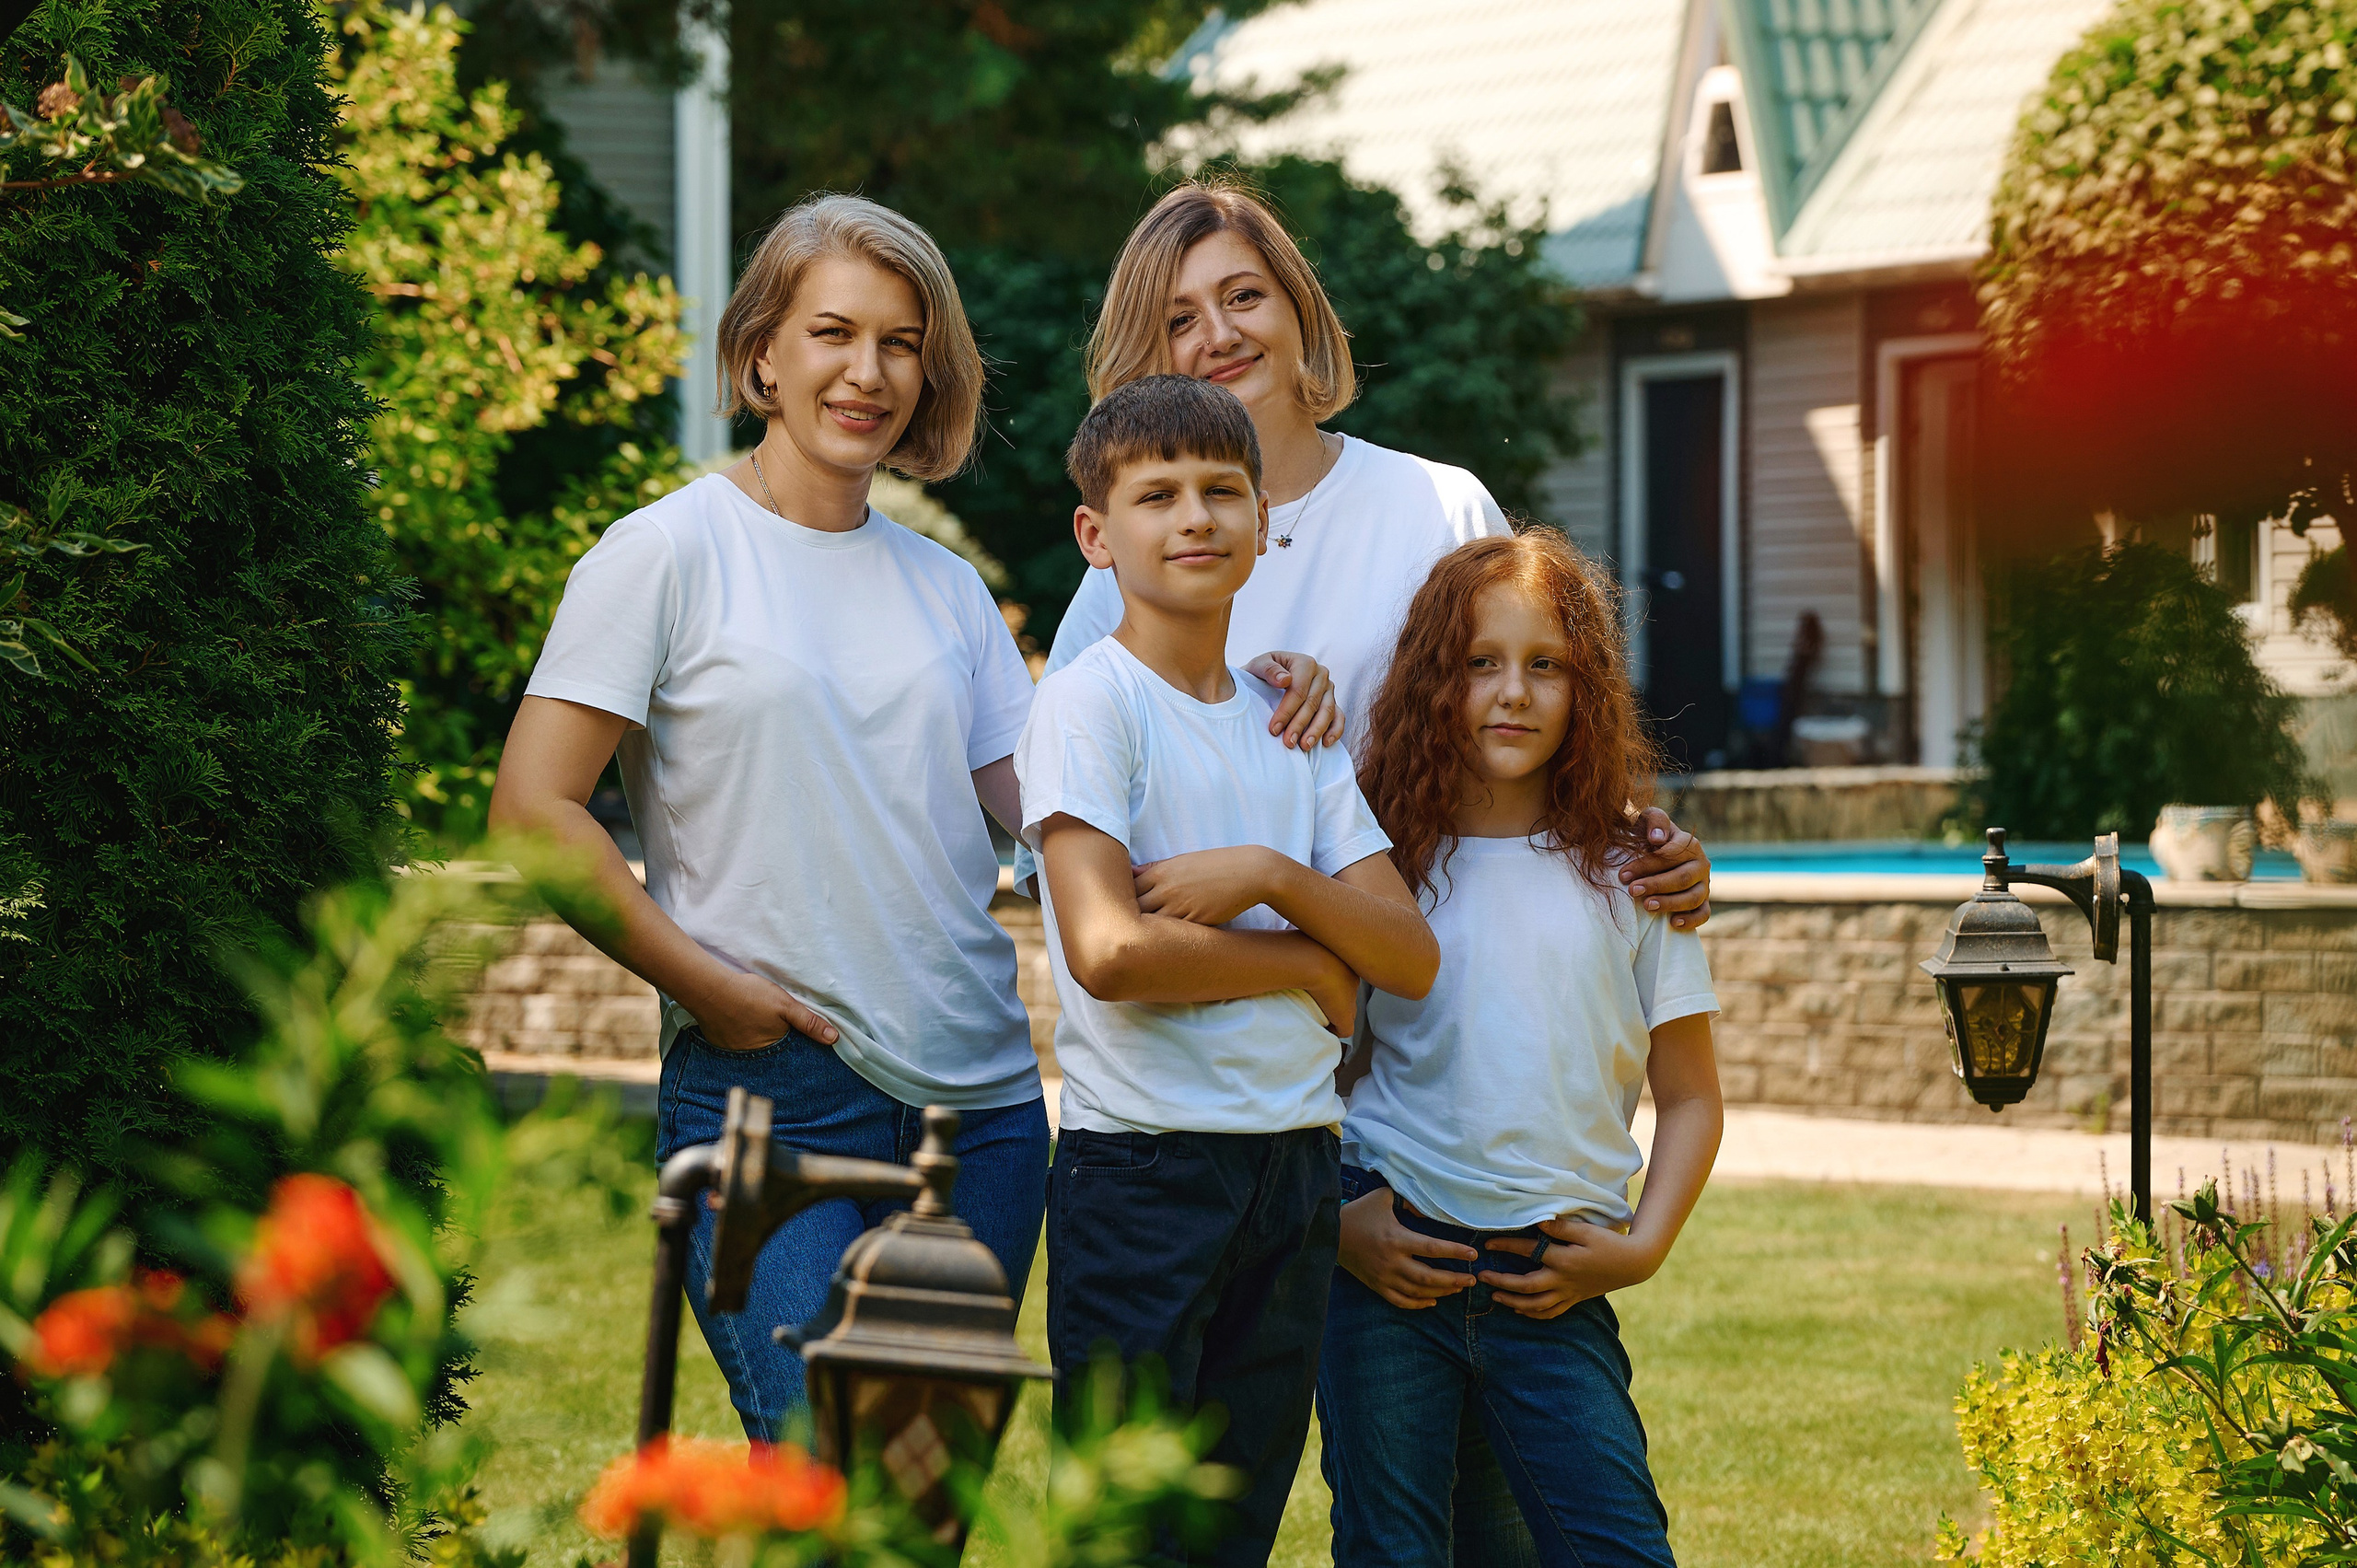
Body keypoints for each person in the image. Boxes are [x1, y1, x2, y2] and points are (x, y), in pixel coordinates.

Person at [484, 194, 1338, 1441]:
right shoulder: (663, 554)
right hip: (769, 1094)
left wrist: (1267, 686)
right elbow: (533, 808)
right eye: (833, 331)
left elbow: (1066, 812)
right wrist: (707, 989)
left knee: (928, 1492)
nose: (867, 372)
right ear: (761, 352)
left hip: (979, 1114)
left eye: (901, 342)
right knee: (834, 1455)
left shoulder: (947, 589)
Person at [1016, 374, 1441, 1568]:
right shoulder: (1091, 704)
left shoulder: (1286, 720)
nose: (1194, 515)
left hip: (1294, 1177)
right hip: (1146, 1174)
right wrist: (1308, 958)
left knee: (1234, 1530)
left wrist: (1269, 873)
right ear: (1098, 535)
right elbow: (1110, 950)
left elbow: (1403, 952)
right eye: (1156, 495)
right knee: (1124, 1539)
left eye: (1221, 490)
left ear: (1266, 522)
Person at [1040, 179, 1713, 928]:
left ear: (1298, 308)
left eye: (1242, 296)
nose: (1220, 335)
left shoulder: (1440, 504)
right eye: (1179, 319)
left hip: (1449, 949)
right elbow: (1077, 821)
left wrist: (1641, 839)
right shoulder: (1126, 576)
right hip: (1254, 999)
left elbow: (1545, 713)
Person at [1318, 531, 1724, 1568]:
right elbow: (1309, 1069)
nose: (1513, 692)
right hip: (1390, 1267)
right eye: (1479, 662)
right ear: (1431, 679)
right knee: (1391, 1551)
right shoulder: (1374, 866)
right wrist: (1340, 1221)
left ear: (1584, 686)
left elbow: (1690, 1097)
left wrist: (1640, 1246)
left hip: (1557, 1277)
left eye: (1545, 664)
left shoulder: (1635, 874)